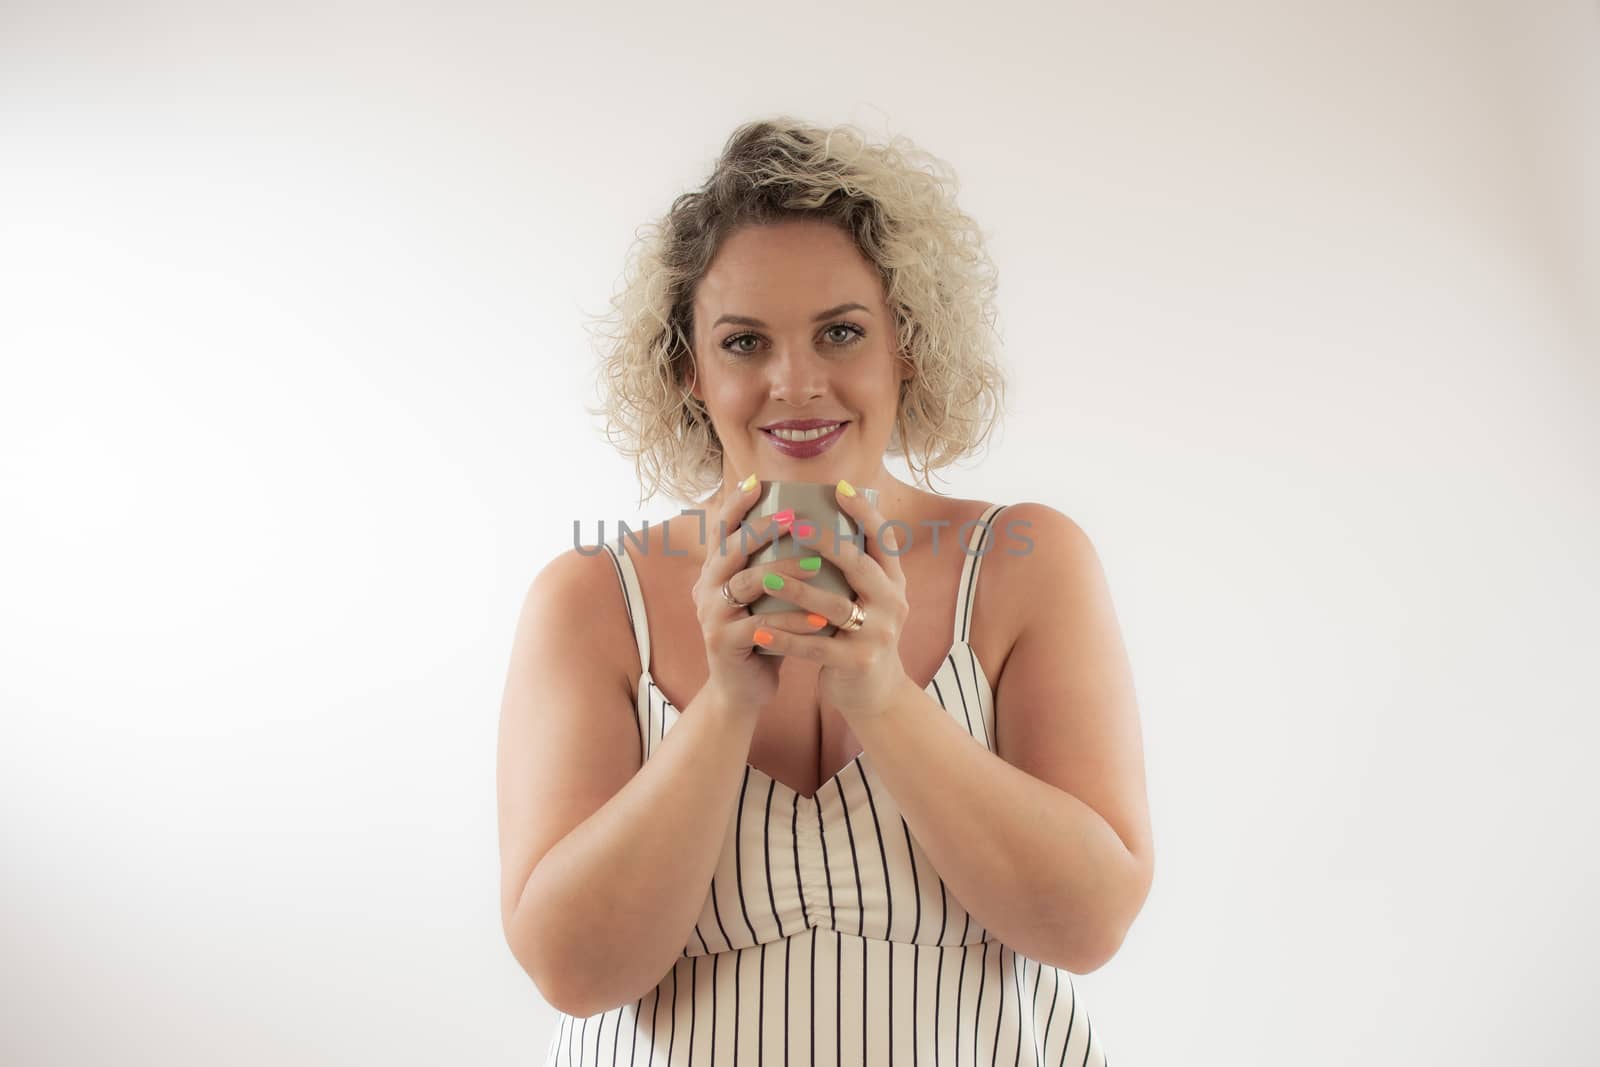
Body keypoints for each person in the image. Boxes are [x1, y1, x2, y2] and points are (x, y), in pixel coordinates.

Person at [497, 116, 1152, 1066]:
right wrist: (724, 702)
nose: (795, 382)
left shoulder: (1024, 562)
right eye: (743, 341)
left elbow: (1087, 926)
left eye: (841, 332)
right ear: (689, 368)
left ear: (907, 345)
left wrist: (881, 696)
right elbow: (575, 969)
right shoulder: (592, 599)